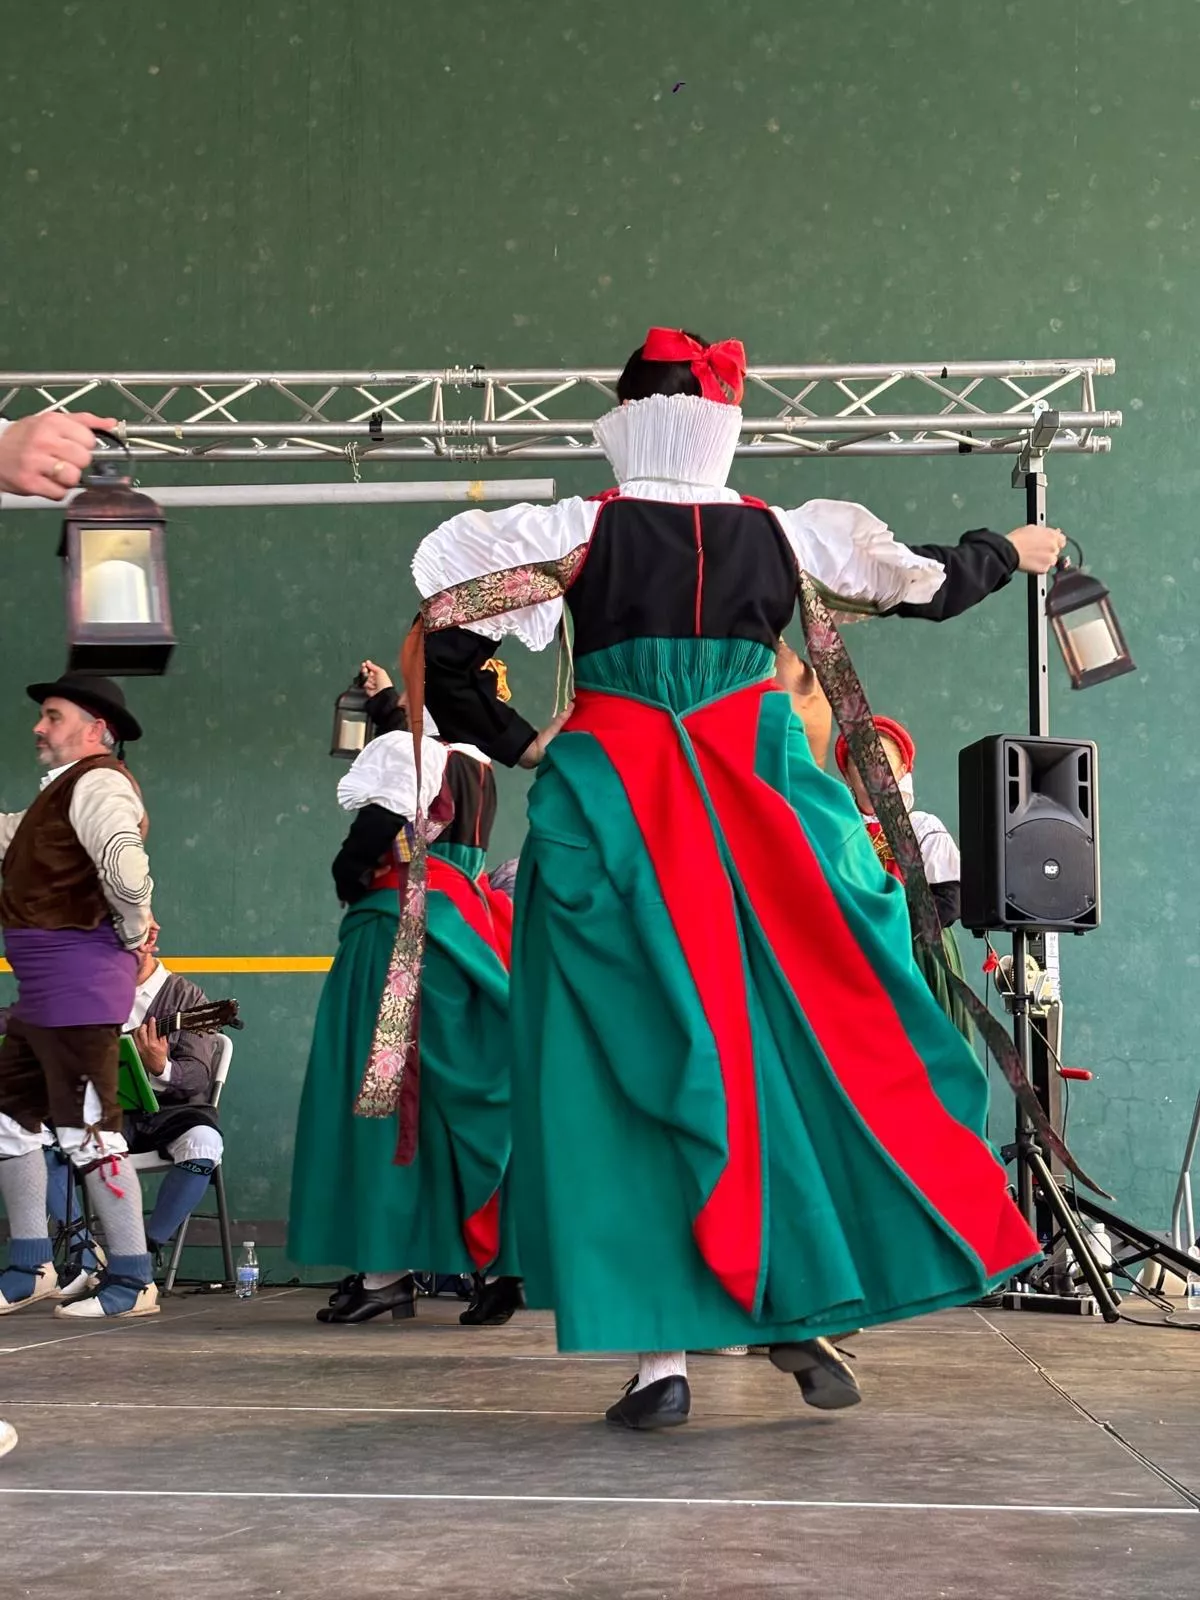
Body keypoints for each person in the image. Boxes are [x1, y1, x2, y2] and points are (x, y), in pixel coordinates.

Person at [404, 326, 1047, 1430]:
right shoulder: (786, 535)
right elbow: (931, 584)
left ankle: (663, 1360)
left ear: (622, 419)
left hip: (610, 812)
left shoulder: (573, 534)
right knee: (787, 1056)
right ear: (723, 424)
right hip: (760, 815)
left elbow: (443, 644)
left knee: (623, 1069)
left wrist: (527, 745)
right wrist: (1014, 546)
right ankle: (792, 1300)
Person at [288, 660, 521, 1326]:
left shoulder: (414, 753)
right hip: (465, 926)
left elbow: (387, 810)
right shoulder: (474, 761)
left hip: (402, 931)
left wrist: (349, 873)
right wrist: (390, 698)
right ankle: (503, 1264)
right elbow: (420, 756)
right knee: (462, 1095)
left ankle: (387, 1270)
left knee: (387, 1097)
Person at [0, 672, 158, 1323]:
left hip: (77, 992)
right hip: (42, 994)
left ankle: (133, 1277)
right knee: (9, 1122)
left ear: (97, 729)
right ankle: (30, 1265)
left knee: (90, 1132)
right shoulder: (61, 794)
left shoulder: (98, 782)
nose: (41, 726)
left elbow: (123, 865)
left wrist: (132, 927)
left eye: (54, 715)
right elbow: (16, 839)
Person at [47, 919, 226, 1295]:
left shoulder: (187, 998)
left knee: (205, 1141)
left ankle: (140, 1254)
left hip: (171, 1115)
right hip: (110, 1116)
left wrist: (160, 1064)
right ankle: (81, 1250)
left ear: (149, 940)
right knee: (36, 1134)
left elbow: (196, 1077)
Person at [837, 716, 973, 1042]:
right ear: (848, 777)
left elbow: (949, 900)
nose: (872, 771)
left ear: (901, 771)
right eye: (861, 763)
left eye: (883, 761)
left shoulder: (923, 828)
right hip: (856, 955)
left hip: (917, 953)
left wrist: (898, 933)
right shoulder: (841, 828)